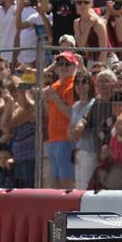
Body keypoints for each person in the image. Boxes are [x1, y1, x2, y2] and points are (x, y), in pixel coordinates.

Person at [43, 50, 79, 189]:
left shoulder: (74, 85)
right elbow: (49, 113)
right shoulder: (55, 86)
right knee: (55, 184)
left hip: (66, 140)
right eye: (60, 64)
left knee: (67, 183)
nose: (63, 67)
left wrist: (56, 99)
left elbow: (72, 115)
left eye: (67, 64)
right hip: (53, 139)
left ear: (74, 66)